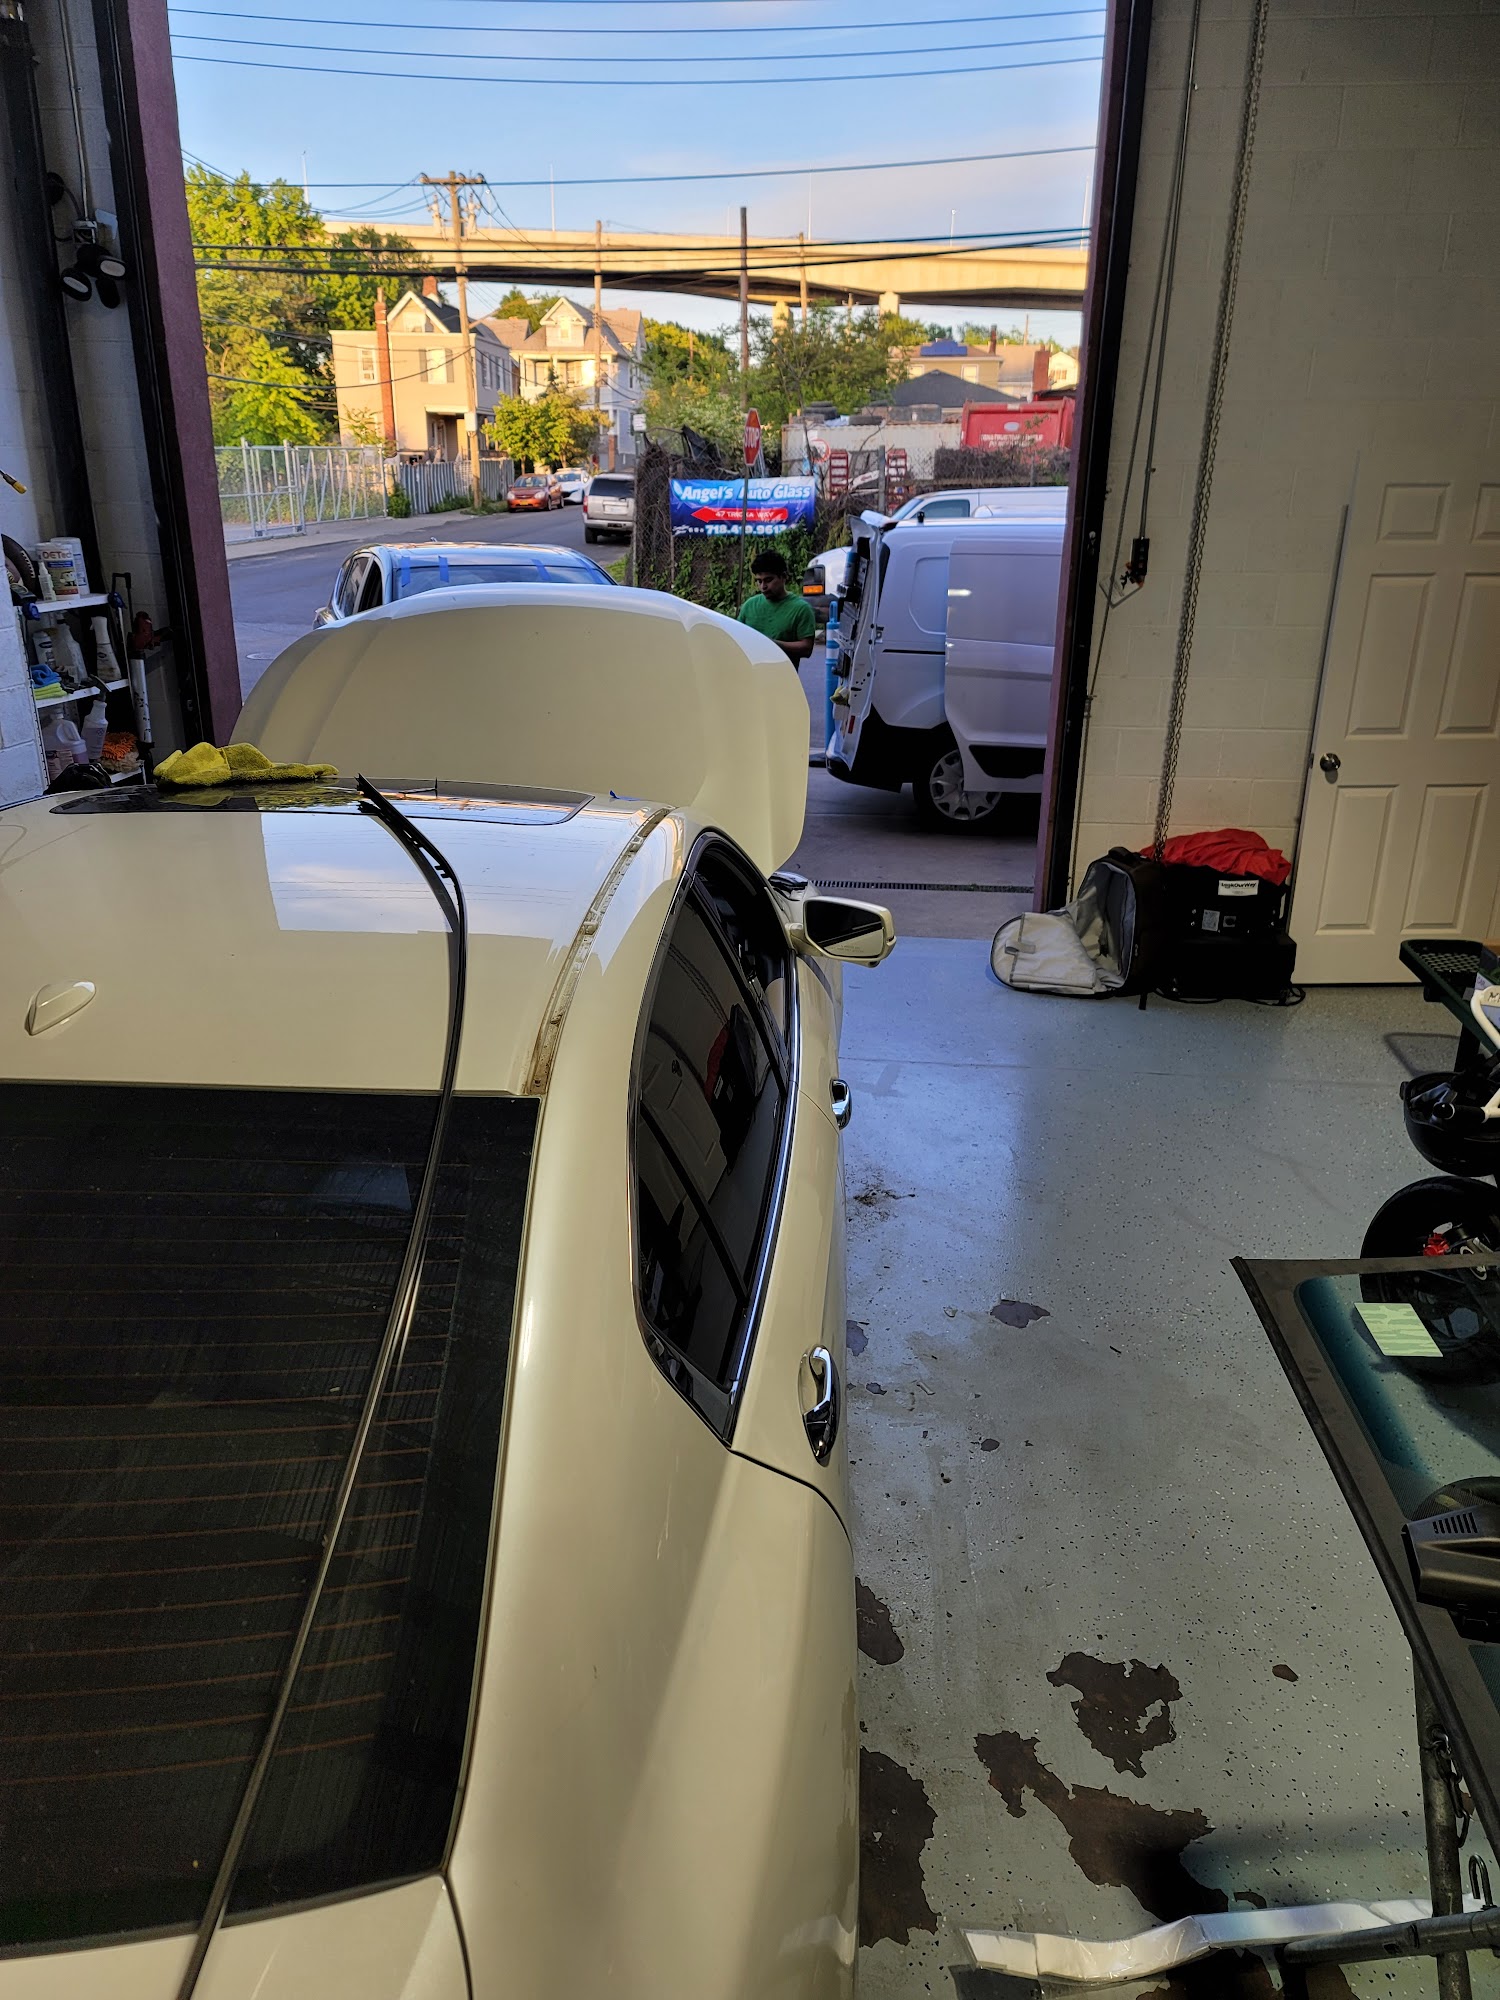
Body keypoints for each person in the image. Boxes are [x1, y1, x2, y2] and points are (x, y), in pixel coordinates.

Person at [736, 549, 816, 666]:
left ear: (783, 577)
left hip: (782, 674)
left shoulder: (801, 609)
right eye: (759, 581)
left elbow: (806, 648)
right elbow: (736, 637)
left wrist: (772, 644)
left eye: (768, 580)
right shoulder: (749, 605)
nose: (763, 586)